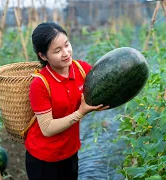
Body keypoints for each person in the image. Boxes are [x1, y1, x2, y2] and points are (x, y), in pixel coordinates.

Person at [24, 22, 109, 180]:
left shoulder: (82, 69)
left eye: (67, 45)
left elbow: (107, 87)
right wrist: (80, 113)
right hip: (43, 158)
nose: (66, 53)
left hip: (70, 152)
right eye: (57, 50)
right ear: (43, 56)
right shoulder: (40, 84)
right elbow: (47, 128)